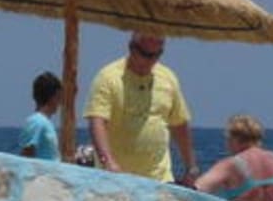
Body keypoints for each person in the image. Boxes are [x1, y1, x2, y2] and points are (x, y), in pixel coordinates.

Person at [84, 32, 197, 185]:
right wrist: (108, 162)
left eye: (155, 55)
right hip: (117, 179)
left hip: (159, 180)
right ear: (131, 48)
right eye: (144, 54)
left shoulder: (168, 78)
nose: (148, 60)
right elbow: (97, 121)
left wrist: (191, 166)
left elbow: (179, 123)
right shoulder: (108, 77)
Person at [17, 71, 63, 161]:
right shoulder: (37, 122)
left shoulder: (44, 122)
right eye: (59, 98)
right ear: (53, 98)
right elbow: (26, 155)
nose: (60, 103)